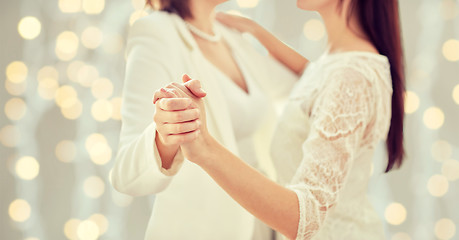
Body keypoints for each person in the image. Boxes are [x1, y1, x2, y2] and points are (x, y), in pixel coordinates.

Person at [152, 0, 406, 239]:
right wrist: (258, 32)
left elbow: (305, 217)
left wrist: (205, 147)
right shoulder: (339, 63)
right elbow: (314, 76)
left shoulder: (350, 77)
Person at [109, 0, 301, 239]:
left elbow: (311, 86)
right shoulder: (156, 32)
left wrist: (258, 32)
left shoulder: (229, 37)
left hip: (267, 224)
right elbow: (125, 175)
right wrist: (165, 138)